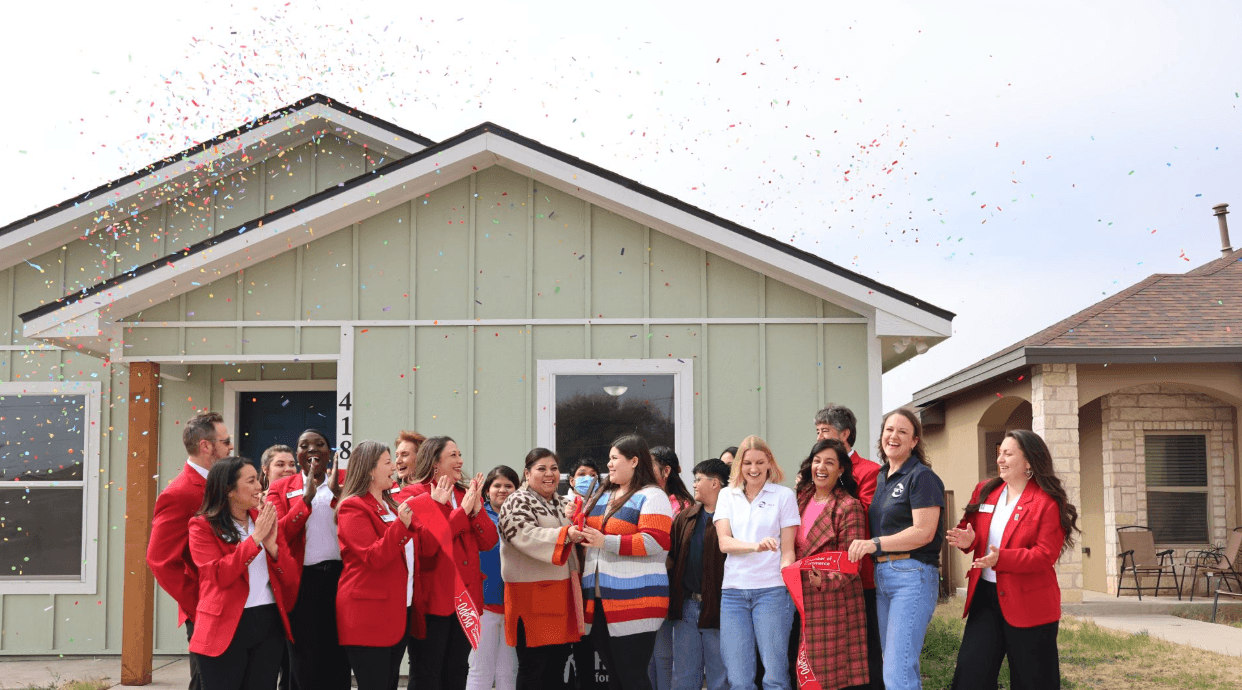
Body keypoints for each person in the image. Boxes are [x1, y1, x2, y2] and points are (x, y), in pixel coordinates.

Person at [946, 430, 1079, 690]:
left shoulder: (1047, 501)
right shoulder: (985, 490)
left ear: (1028, 461)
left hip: (1030, 603)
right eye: (999, 453)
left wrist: (1001, 559)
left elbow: (1044, 555)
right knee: (971, 675)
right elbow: (971, 529)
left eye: (1008, 454)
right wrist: (968, 541)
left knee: (1033, 681)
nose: (1000, 459)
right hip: (986, 597)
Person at [847, 409, 944, 690]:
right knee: (894, 665)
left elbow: (923, 532)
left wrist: (874, 544)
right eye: (889, 430)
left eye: (902, 432)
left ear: (914, 441)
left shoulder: (921, 477)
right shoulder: (881, 477)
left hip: (912, 576)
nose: (894, 436)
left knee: (897, 670)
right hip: (884, 577)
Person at [394, 436, 499, 690]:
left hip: (466, 598)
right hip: (433, 600)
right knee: (427, 672)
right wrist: (460, 513)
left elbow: (489, 541)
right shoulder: (413, 494)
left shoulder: (464, 492)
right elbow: (428, 548)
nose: (460, 460)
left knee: (457, 670)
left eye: (460, 454)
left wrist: (474, 512)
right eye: (453, 455)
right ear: (434, 462)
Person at [188, 456, 298, 690]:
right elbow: (220, 575)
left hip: (268, 623)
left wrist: (273, 547)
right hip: (225, 626)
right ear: (229, 489)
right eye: (251, 481)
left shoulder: (265, 519)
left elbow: (290, 577)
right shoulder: (201, 526)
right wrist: (256, 539)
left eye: (258, 479)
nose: (260, 486)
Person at [577, 435, 674, 690]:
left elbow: (654, 543)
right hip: (598, 599)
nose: (608, 464)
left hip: (636, 600)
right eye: (608, 458)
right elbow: (589, 534)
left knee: (632, 676)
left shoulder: (653, 496)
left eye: (614, 458)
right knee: (616, 676)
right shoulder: (603, 494)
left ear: (633, 461)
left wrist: (605, 541)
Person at [147, 411, 233, 690]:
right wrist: (200, 603)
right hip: (209, 611)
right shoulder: (180, 493)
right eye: (226, 441)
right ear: (206, 446)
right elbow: (160, 560)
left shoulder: (224, 482)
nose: (231, 447)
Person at [335, 441, 427, 690]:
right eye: (388, 462)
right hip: (368, 614)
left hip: (397, 609)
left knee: (389, 683)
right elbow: (373, 557)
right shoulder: (352, 506)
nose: (395, 467)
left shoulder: (391, 505)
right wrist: (401, 526)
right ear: (369, 470)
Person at [266, 429, 350, 690]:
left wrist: (338, 495)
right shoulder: (281, 488)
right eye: (304, 446)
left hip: (342, 579)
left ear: (330, 452)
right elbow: (278, 533)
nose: (312, 449)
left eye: (319, 444)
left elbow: (360, 522)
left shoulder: (346, 481)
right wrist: (305, 500)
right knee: (305, 657)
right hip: (303, 582)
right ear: (298, 454)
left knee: (338, 654)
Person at [714, 435, 800, 690]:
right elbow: (724, 543)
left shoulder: (784, 496)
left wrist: (787, 582)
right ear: (739, 465)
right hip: (733, 594)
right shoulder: (726, 496)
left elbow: (788, 550)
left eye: (760, 462)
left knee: (774, 675)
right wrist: (756, 546)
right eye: (748, 463)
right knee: (739, 679)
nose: (754, 469)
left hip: (772, 592)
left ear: (769, 463)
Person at [498, 449, 584, 689]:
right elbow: (524, 535)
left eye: (554, 468)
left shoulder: (560, 503)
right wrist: (566, 533)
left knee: (557, 666)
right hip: (531, 597)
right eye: (542, 469)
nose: (550, 474)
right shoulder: (516, 500)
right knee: (533, 667)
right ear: (527, 473)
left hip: (560, 594)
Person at [814, 404, 883, 690]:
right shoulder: (814, 470)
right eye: (817, 431)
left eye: (825, 431)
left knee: (864, 653)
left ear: (845, 434)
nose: (819, 437)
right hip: (820, 578)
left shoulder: (870, 470)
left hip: (859, 575)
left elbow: (865, 513)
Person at [793, 439, 868, 690]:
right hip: (795, 599)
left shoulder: (849, 507)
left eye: (829, 462)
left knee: (825, 680)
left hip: (831, 603)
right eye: (816, 460)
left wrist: (822, 580)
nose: (821, 467)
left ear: (841, 469)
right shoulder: (799, 500)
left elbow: (851, 563)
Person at [665, 459, 730, 690]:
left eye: (698, 479)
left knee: (720, 677)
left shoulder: (732, 519)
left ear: (715, 483)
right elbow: (672, 558)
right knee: (683, 676)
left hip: (720, 608)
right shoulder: (685, 517)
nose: (693, 484)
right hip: (687, 608)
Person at [468, 465, 521, 690]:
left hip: (515, 604)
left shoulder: (523, 517)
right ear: (487, 490)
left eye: (508, 486)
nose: (502, 490)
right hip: (483, 604)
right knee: (480, 670)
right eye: (496, 485)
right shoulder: (476, 516)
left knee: (508, 672)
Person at [647, 446, 694, 690]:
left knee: (665, 654)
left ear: (666, 471)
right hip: (644, 583)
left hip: (670, 585)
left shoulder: (684, 506)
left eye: (649, 466)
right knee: (648, 655)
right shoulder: (641, 498)